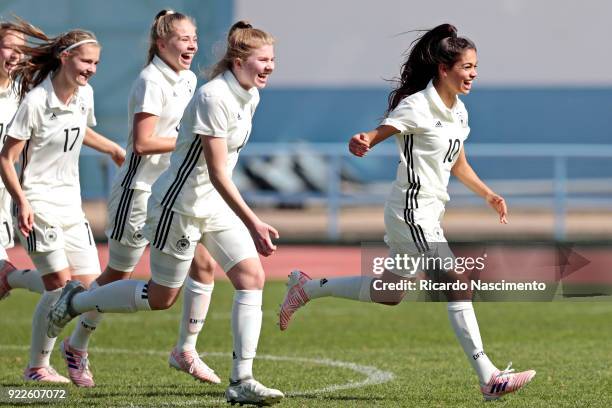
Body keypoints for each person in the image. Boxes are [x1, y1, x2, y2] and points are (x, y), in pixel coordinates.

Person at [279, 23, 536, 401]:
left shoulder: (458, 111)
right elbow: (380, 131)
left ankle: (307, 288)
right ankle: (489, 376)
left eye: (476, 67)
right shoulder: (416, 105)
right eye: (467, 67)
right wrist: (363, 139)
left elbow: (456, 161)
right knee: (456, 280)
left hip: (429, 214)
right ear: (444, 69)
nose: (474, 74)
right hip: (409, 213)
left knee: (390, 293)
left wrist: (488, 194)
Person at [49, 21, 284, 406]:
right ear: (239, 60)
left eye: (273, 59)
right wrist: (253, 220)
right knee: (161, 298)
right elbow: (218, 171)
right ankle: (76, 301)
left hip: (213, 206)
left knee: (251, 276)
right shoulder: (213, 96)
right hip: (178, 207)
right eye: (264, 60)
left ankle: (241, 378)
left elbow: (221, 171)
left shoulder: (249, 96)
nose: (270, 67)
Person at [64, 9, 220, 385]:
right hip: (138, 191)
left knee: (203, 266)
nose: (192, 44)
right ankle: (76, 342)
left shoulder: (188, 78)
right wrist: (193, 141)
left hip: (170, 192)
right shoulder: (152, 80)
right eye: (184, 38)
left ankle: (185, 349)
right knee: (119, 273)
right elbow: (144, 142)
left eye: (194, 37)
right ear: (161, 42)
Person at [0, 22, 125, 385]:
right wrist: (21, 201)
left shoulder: (84, 95)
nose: (92, 69)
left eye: (97, 64)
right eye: (86, 62)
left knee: (92, 292)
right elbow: (6, 158)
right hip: (38, 203)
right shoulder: (36, 100)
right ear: (65, 57)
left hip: (72, 205)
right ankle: (38, 366)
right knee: (59, 286)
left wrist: (114, 148)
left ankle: (75, 348)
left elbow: (79, 129)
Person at [0, 21, 44, 300]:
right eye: (8, 47)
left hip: (4, 195)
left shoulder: (20, 95)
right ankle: (61, 289)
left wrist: (111, 148)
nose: (15, 55)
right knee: (3, 273)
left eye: (20, 49)